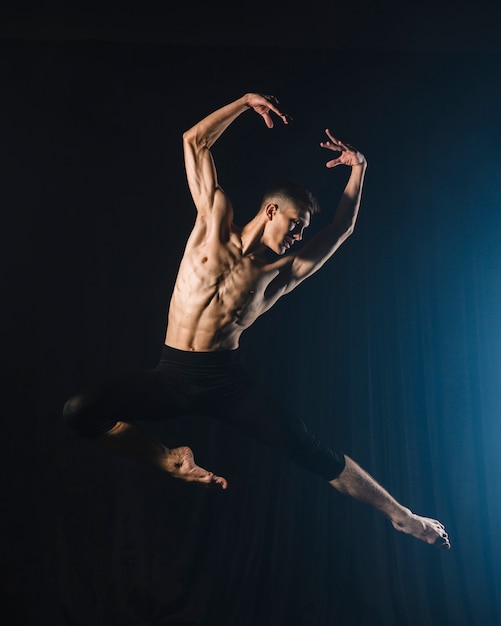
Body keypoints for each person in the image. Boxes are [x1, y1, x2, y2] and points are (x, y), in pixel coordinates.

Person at [63, 92, 450, 550]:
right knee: (80, 411)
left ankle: (402, 517)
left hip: (225, 381)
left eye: (303, 229)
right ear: (271, 211)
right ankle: (169, 460)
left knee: (307, 449)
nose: (299, 236)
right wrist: (245, 103)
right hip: (173, 375)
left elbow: (341, 228)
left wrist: (358, 169)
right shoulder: (212, 220)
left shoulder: (280, 273)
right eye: (296, 224)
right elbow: (194, 142)